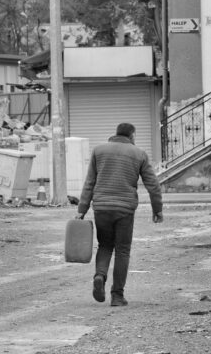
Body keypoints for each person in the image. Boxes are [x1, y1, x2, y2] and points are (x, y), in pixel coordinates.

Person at [75, 123, 163, 307]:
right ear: (132, 136)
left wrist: (81, 210)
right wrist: (157, 209)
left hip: (101, 207)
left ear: (116, 134)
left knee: (105, 245)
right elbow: (153, 185)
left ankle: (100, 275)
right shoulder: (139, 154)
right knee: (122, 250)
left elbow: (90, 182)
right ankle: (117, 295)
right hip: (125, 209)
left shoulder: (99, 151)